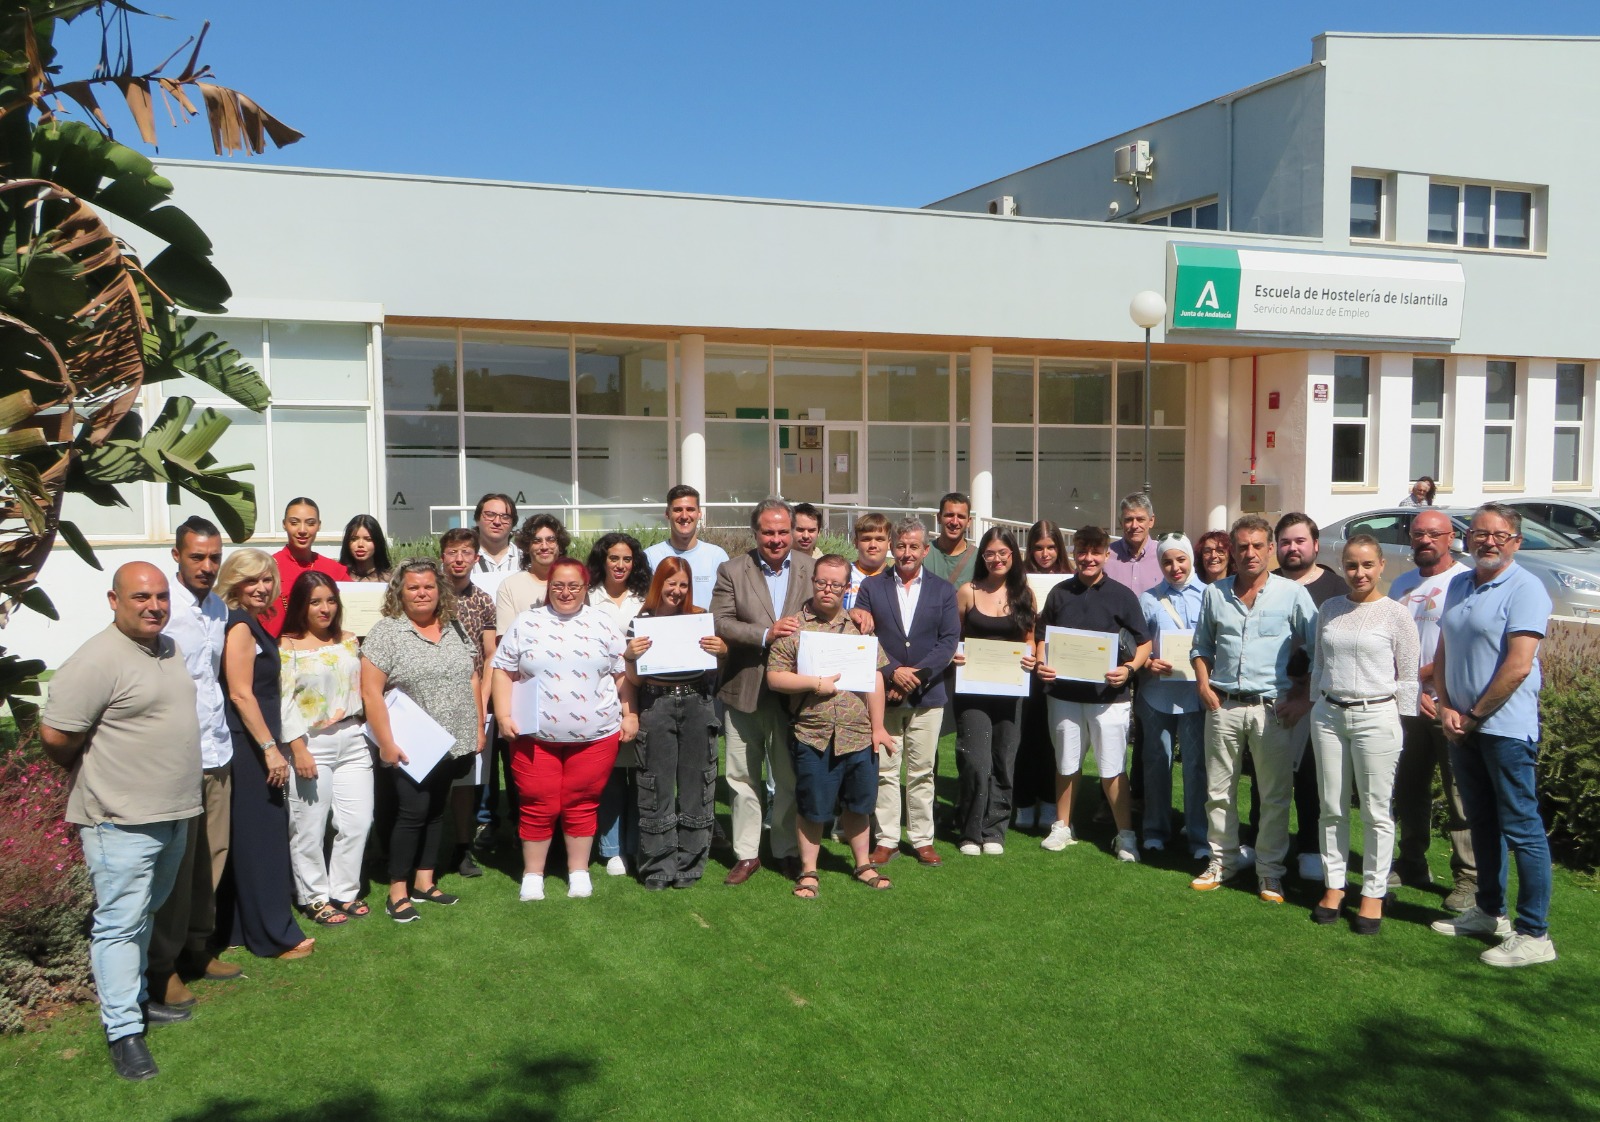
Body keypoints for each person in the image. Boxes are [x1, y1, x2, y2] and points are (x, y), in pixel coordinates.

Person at [40, 563, 203, 1081]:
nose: (154, 606)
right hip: (120, 819)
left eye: (161, 596)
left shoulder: (167, 648)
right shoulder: (96, 659)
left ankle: (135, 1001)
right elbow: (56, 736)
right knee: (118, 924)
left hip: (172, 811)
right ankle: (123, 1032)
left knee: (143, 913)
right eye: (141, 597)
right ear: (114, 600)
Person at [1429, 504, 1558, 967]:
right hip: (1463, 725)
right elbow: (1444, 649)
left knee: (1522, 828)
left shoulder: (1526, 588)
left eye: (1499, 535)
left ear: (1515, 542)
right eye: (1480, 534)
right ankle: (1489, 911)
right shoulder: (1460, 583)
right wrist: (1446, 707)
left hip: (1503, 728)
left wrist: (1474, 715)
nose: (1488, 542)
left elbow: (1518, 666)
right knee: (1481, 821)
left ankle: (1535, 934)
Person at [492, 556, 637, 901]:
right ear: (548, 587)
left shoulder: (602, 623)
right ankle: (532, 875)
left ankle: (578, 871)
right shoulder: (527, 622)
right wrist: (503, 714)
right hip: (534, 737)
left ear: (586, 588)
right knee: (537, 802)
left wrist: (630, 714)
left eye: (574, 586)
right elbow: (502, 670)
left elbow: (622, 674)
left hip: (595, 737)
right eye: (558, 585)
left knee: (581, 802)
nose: (566, 592)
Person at [1189, 516, 1317, 903]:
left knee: (1274, 796)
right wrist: (1202, 684)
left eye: (1258, 545)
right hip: (1223, 705)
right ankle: (1222, 862)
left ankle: (1269, 872)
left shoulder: (1291, 594)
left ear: (1270, 549)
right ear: (1233, 550)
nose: (1250, 553)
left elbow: (1320, 649)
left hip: (1272, 709)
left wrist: (1303, 698)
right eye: (1243, 546)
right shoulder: (1215, 594)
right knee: (1218, 792)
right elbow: (1201, 647)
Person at [147, 518, 241, 1015]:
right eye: (197, 557)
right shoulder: (162, 608)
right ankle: (162, 968)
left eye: (214, 557)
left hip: (217, 750)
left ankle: (198, 947)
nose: (207, 566)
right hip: (176, 757)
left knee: (212, 857)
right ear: (177, 556)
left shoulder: (218, 608)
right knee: (176, 869)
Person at [361, 559, 486, 922]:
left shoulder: (453, 626)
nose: (421, 593)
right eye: (413, 587)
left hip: (452, 740)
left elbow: (472, 676)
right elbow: (370, 692)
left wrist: (478, 726)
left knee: (435, 811)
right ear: (399, 592)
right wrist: (386, 743)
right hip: (409, 743)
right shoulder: (387, 632)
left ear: (439, 590)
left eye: (429, 586)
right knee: (412, 813)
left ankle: (425, 882)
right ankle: (397, 891)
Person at [766, 554, 896, 897]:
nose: (828, 589)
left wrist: (878, 727)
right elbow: (775, 677)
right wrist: (814, 684)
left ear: (847, 588)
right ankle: (809, 871)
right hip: (814, 734)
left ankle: (863, 864)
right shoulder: (794, 627)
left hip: (858, 734)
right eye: (822, 582)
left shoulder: (859, 627)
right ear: (813, 582)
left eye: (836, 585)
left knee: (859, 805)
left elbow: (875, 678)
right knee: (812, 807)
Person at [1307, 535, 1419, 934]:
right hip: (1329, 715)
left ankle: (1373, 891)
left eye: (1367, 565)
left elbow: (1408, 676)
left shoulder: (1396, 615)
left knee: (1375, 810)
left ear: (1381, 565)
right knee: (1331, 806)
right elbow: (1319, 664)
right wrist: (1316, 703)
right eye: (1352, 565)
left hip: (1377, 716)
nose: (1359, 573)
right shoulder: (1330, 608)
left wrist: (1400, 724)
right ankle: (1334, 885)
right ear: (1343, 566)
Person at [710, 499, 816, 884]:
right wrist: (766, 634)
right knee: (742, 776)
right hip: (745, 686)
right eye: (768, 532)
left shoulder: (811, 568)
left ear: (793, 531)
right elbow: (720, 622)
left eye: (783, 532)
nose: (776, 539)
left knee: (787, 778)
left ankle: (785, 849)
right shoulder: (732, 570)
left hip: (794, 693)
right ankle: (747, 853)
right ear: (755, 533)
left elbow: (829, 611)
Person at [215, 549, 314, 958]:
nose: (261, 587)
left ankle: (239, 928)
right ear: (234, 583)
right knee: (264, 838)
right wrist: (271, 749)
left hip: (253, 743)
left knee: (248, 838)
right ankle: (275, 935)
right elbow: (240, 693)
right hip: (250, 747)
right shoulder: (239, 625)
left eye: (267, 579)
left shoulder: (247, 621)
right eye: (251, 580)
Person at [1033, 526, 1151, 862]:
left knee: (1112, 767)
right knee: (1066, 763)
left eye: (1095, 552)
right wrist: (1041, 662)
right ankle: (1062, 826)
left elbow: (1144, 642)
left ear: (1106, 555)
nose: (1088, 558)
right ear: (1074, 552)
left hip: (1109, 698)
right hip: (1063, 695)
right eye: (1082, 551)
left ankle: (1125, 834)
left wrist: (1129, 670)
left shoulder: (1122, 595)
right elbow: (1042, 636)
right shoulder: (1059, 593)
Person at [1388, 509, 1478, 910]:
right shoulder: (1402, 584)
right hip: (1407, 704)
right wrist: (1409, 688)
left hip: (1449, 704)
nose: (1425, 540)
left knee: (1459, 794)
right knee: (1409, 788)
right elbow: (1389, 641)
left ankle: (1469, 878)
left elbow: (1459, 644)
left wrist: (1421, 681)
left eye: (1433, 534)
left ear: (1450, 537)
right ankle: (1412, 862)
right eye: (1418, 534)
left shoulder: (1464, 582)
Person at [859, 517, 960, 867]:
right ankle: (886, 838)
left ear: (925, 550)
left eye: (914, 546)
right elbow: (865, 637)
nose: (906, 552)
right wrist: (892, 672)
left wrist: (916, 675)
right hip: (884, 695)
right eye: (901, 546)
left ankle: (922, 839)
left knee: (922, 771)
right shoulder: (871, 587)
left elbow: (948, 641)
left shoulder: (943, 590)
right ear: (892, 547)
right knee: (886, 770)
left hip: (927, 696)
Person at [623, 557, 727, 889]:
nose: (677, 590)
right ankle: (657, 867)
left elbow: (713, 670)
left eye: (684, 584)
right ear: (659, 584)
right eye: (671, 583)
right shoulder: (641, 623)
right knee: (655, 787)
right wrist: (630, 657)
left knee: (698, 785)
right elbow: (634, 681)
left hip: (697, 703)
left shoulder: (699, 619)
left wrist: (721, 651)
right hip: (656, 704)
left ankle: (690, 865)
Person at [279, 573, 370, 925]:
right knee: (309, 826)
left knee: (358, 822)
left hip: (353, 738)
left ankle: (344, 890)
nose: (325, 608)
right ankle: (313, 896)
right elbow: (284, 702)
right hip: (310, 743)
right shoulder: (286, 647)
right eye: (315, 601)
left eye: (330, 600)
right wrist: (298, 748)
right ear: (301, 605)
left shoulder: (349, 640)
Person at [951, 528, 1037, 856]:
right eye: (990, 553)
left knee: (1004, 759)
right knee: (975, 760)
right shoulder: (968, 592)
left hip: (1010, 689)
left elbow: (1029, 638)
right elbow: (953, 635)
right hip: (973, 690)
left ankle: (995, 830)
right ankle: (970, 831)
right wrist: (955, 653)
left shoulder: (1024, 595)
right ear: (982, 557)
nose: (997, 559)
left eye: (1003, 553)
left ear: (1013, 555)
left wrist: (1031, 656)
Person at [1274, 512, 1347, 882]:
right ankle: (1262, 844)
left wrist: (1309, 698)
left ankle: (1310, 849)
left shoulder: (1336, 590)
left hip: (1318, 702)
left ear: (1316, 545)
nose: (1292, 548)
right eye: (1285, 542)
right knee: (1268, 778)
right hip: (1272, 696)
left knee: (1312, 780)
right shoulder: (1267, 584)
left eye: (1300, 541)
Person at [1136, 533, 1208, 859]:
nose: (1175, 567)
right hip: (1157, 694)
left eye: (1181, 559)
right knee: (1156, 763)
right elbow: (1136, 640)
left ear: (1191, 558)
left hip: (1195, 695)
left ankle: (1199, 837)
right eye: (1167, 561)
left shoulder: (1210, 596)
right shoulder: (1148, 599)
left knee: (1196, 767)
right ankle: (1155, 830)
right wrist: (1147, 662)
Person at [587, 532, 651, 877]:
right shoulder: (588, 597)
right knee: (609, 774)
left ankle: (638, 844)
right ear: (603, 560)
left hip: (642, 691)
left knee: (641, 773)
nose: (620, 565)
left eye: (627, 559)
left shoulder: (645, 597)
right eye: (614, 558)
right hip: (598, 694)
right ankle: (612, 849)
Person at [439, 529, 498, 879]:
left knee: (465, 779)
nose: (458, 559)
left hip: (470, 697)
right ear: (442, 557)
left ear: (476, 558)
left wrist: (484, 699)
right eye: (452, 552)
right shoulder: (429, 593)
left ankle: (462, 849)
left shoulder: (483, 600)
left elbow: (490, 654)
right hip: (431, 697)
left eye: (465, 552)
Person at [1015, 519, 1073, 830]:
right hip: (1026, 667)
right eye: (1039, 547)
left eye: (1051, 547)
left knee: (1055, 738)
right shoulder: (1019, 580)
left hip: (1059, 667)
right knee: (1026, 735)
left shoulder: (1072, 580)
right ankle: (1024, 801)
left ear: (1060, 549)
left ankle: (1050, 802)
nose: (1045, 553)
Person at [261, 497, 350, 637]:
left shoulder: (335, 570)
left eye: (310, 523)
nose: (302, 530)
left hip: (327, 645)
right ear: (284, 524)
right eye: (294, 523)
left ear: (319, 525)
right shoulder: (267, 569)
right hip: (280, 646)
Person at [645, 484, 730, 616]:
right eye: (678, 510)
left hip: (707, 628)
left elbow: (728, 604)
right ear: (667, 514)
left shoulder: (717, 556)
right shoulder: (651, 556)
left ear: (699, 513)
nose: (684, 516)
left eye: (690, 509)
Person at [494, 513, 569, 633]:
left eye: (550, 540)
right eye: (537, 541)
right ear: (527, 547)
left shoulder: (574, 584)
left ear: (559, 545)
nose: (544, 546)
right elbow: (505, 637)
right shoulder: (509, 586)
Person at [1105, 492, 1163, 596]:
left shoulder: (1163, 556)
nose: (1134, 526)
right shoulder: (1105, 557)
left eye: (1140, 519)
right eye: (1129, 520)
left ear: (1151, 521)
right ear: (1121, 522)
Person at [922, 492, 977, 586]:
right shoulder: (923, 554)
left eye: (961, 516)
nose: (954, 522)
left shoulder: (978, 559)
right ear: (939, 518)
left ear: (968, 522)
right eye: (950, 515)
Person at [841, 511, 891, 610]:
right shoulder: (842, 574)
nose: (873, 545)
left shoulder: (896, 579)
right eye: (866, 539)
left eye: (879, 539)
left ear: (889, 544)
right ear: (856, 543)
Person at [473, 493, 521, 573]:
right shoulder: (462, 560)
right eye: (490, 515)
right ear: (477, 520)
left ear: (513, 523)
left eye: (505, 517)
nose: (497, 522)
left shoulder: (526, 560)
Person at [338, 514, 393, 583]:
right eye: (354, 539)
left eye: (368, 539)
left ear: (377, 542)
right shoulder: (337, 576)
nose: (360, 544)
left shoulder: (391, 580)